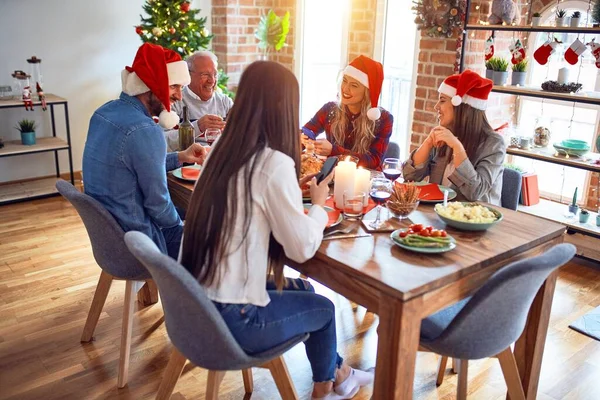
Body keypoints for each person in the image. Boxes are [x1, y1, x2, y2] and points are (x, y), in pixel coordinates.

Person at [181, 61, 373, 400]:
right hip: (233, 321)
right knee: (325, 311)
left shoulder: (220, 152)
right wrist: (317, 204)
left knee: (305, 291)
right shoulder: (273, 163)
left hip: (195, 305)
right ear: (285, 108)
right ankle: (325, 388)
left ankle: (340, 375)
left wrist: (287, 191)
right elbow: (301, 249)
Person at [82, 43, 207, 259]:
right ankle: (193, 291)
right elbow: (158, 207)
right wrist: (181, 228)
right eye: (174, 87)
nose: (179, 95)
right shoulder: (145, 130)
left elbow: (135, 164)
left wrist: (181, 157)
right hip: (139, 242)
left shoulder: (104, 112)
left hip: (109, 237)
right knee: (210, 233)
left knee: (189, 216)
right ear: (152, 84)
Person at [402, 69, 505, 205]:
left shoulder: (494, 144)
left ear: (461, 106)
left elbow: (475, 191)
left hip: (474, 219)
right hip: (439, 215)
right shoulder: (444, 133)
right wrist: (427, 143)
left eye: (442, 101)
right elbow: (410, 177)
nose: (436, 106)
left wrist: (457, 147)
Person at [302, 55, 393, 170]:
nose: (345, 89)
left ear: (367, 92)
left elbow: (374, 161)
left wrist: (333, 151)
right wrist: (301, 138)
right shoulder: (329, 109)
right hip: (331, 179)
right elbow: (307, 131)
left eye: (354, 85)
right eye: (344, 81)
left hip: (365, 184)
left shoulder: (384, 119)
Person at [165, 50, 233, 151]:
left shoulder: (225, 102)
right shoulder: (175, 101)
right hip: (188, 163)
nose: (212, 80)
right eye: (205, 74)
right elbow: (163, 142)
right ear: (189, 76)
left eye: (215, 74)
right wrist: (197, 127)